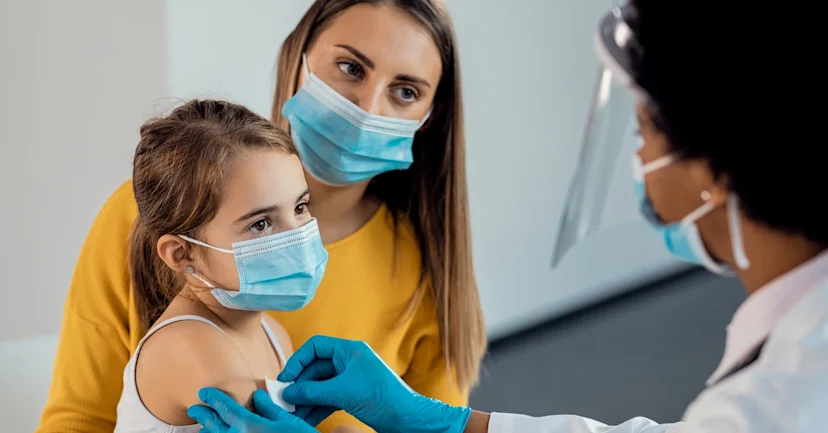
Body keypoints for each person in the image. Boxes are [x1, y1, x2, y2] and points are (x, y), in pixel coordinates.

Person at [187, 1, 828, 432]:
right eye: (350, 68)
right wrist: (444, 423)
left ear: (716, 169)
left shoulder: (786, 394)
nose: (637, 158)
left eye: (643, 131)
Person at [36, 1, 485, 433]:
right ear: (298, 58)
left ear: (429, 116)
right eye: (351, 68)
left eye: (406, 92)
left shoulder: (424, 269)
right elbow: (78, 420)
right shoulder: (142, 215)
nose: (367, 111)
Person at [110, 99, 356, 433]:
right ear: (182, 254)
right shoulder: (189, 344)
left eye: (300, 207)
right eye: (261, 224)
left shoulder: (272, 333)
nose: (298, 237)